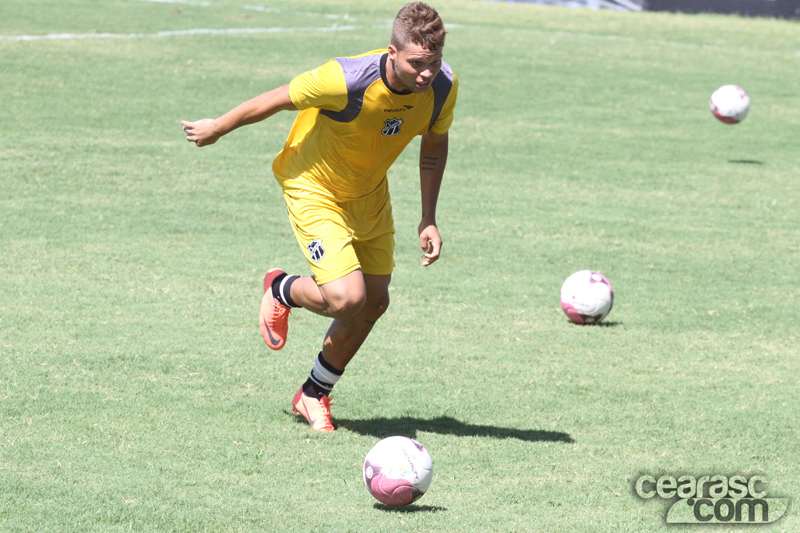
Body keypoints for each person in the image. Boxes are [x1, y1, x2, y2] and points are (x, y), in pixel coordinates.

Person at [181, 2, 458, 432]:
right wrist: (218, 126)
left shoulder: (442, 86)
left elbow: (435, 143)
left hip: (368, 194)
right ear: (392, 52)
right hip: (314, 187)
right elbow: (278, 98)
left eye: (434, 62)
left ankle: (313, 393)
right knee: (347, 298)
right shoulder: (345, 79)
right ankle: (282, 288)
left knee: (375, 301)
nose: (426, 74)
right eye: (417, 63)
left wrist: (428, 217)